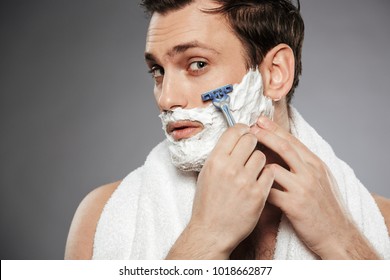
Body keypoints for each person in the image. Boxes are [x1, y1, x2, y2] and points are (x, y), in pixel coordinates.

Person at [64, 0, 390, 260]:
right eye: (157, 71)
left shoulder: (382, 223)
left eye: (197, 64)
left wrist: (342, 242)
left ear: (274, 74)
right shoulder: (100, 220)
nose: (166, 98)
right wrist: (206, 237)